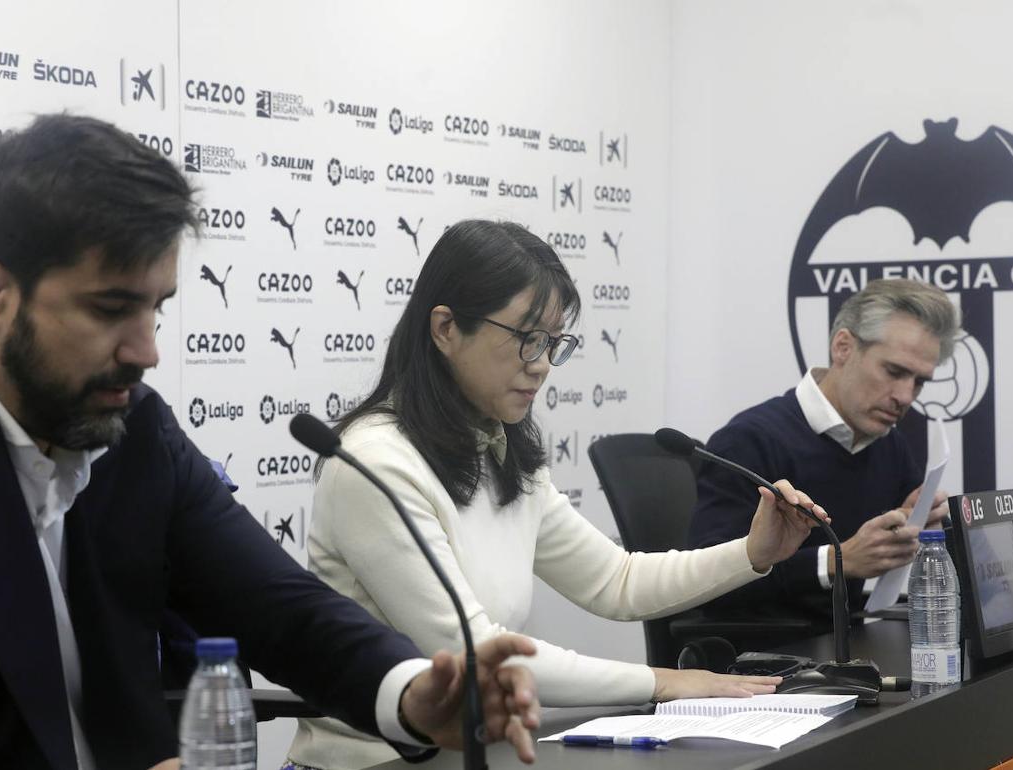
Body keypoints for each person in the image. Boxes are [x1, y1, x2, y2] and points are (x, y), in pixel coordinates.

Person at [0, 114, 541, 770]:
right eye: (112, 310)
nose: (147, 352)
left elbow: (278, 608)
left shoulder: (133, 429)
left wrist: (413, 694)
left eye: (157, 307)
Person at [285, 220, 830, 770]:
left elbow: (615, 581)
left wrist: (753, 554)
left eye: (553, 342)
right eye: (527, 339)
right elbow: (477, 652)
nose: (543, 364)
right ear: (446, 328)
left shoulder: (498, 446)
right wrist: (661, 681)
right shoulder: (377, 462)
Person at [687, 279, 960, 624]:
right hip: (763, 659)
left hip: (848, 647)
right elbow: (705, 583)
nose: (906, 397)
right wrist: (835, 561)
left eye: (919, 382)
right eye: (894, 371)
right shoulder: (749, 440)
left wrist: (918, 527)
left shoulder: (888, 442)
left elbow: (901, 534)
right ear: (843, 347)